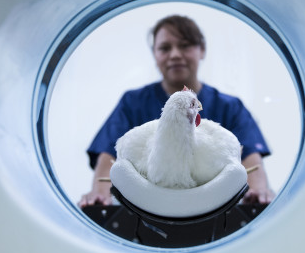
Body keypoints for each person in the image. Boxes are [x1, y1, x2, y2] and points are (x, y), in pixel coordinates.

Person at [78, 15, 275, 208]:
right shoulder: (133, 102)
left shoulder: (230, 107)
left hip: (215, 211)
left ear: (202, 50)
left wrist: (257, 190)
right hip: (145, 212)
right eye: (165, 48)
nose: (174, 55)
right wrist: (100, 194)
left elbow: (250, 157)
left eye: (185, 45)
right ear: (154, 55)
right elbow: (109, 155)